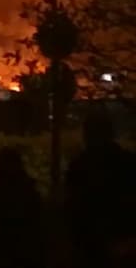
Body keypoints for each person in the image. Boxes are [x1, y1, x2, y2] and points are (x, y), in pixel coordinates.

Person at [65, 112, 136, 268]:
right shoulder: (127, 162)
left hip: (92, 240)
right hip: (121, 237)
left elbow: (73, 204)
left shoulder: (80, 166)